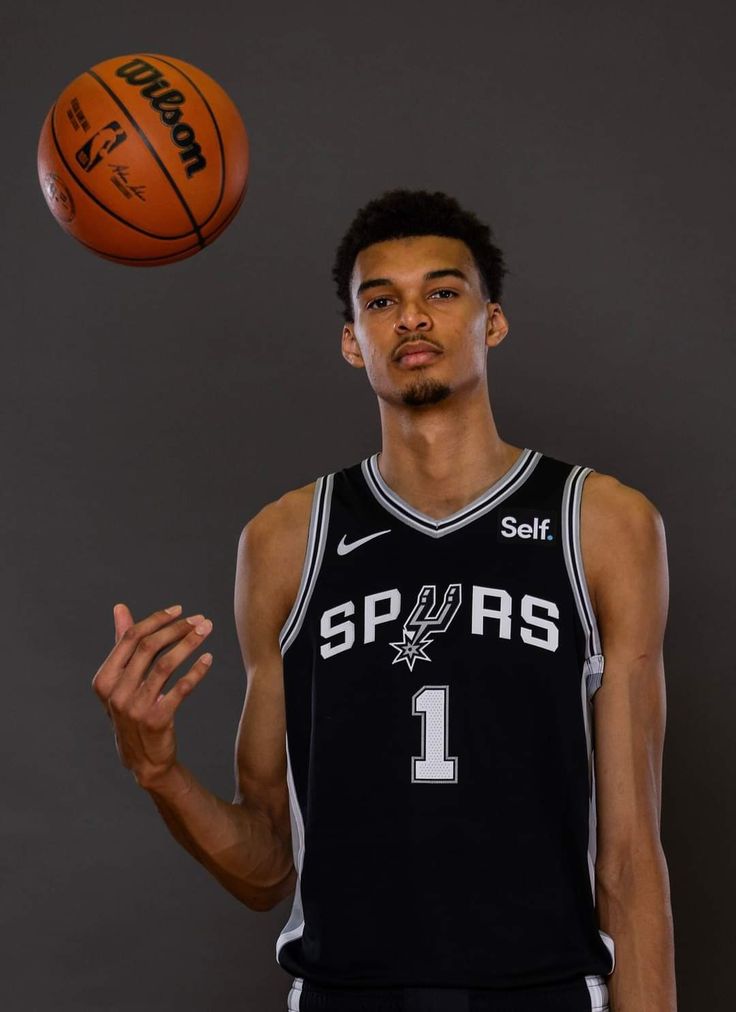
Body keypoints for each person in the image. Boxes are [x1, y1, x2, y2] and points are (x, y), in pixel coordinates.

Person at [92, 189, 677, 1012]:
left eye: (442, 292)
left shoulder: (602, 524)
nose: (412, 318)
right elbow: (266, 866)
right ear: (350, 340)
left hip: (540, 991)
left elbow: (627, 857)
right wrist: (157, 773)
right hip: (345, 995)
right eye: (381, 301)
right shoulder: (287, 540)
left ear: (492, 321)